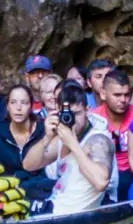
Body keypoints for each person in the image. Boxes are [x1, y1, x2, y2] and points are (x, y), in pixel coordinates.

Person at [25, 81, 113, 216]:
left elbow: (101, 183)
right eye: (67, 115)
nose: (72, 120)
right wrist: (47, 138)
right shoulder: (61, 137)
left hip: (75, 217)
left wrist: (72, 143)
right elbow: (29, 165)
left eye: (77, 113)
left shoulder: (98, 140)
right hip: (54, 208)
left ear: (87, 110)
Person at [89, 69, 133, 200]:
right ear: (103, 94)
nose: (123, 100)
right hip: (104, 173)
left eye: (126, 95)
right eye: (117, 95)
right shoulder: (92, 119)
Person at [0, 83, 48, 187]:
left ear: (31, 106)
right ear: (7, 106)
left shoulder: (44, 130)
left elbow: (49, 168)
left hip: (42, 188)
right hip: (10, 191)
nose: (18, 108)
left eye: (24, 103)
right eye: (13, 102)